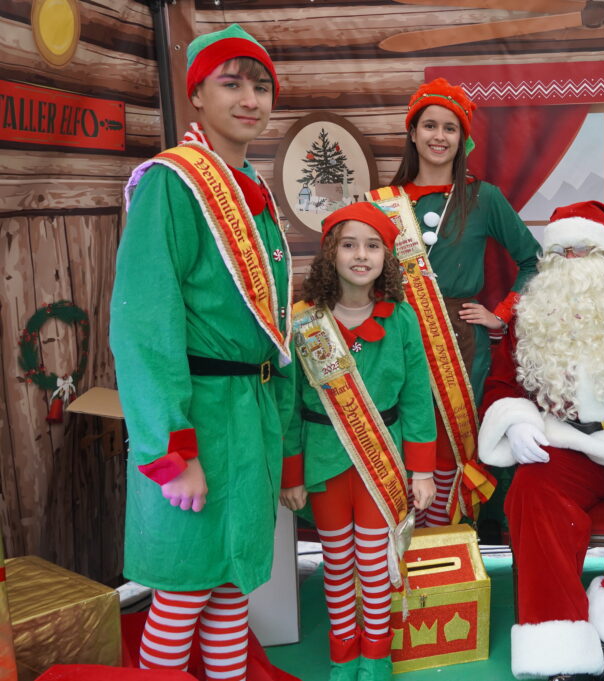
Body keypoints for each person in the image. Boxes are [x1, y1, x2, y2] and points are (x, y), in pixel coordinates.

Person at [109, 24, 292, 679]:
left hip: (249, 417)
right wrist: (172, 451)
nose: (249, 99)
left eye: (261, 87)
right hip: (200, 418)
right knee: (183, 593)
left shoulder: (251, 190)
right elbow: (142, 326)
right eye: (231, 83)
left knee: (230, 589)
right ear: (196, 95)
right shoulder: (173, 183)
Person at [478, 201, 604, 681]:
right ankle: (560, 643)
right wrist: (517, 421)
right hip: (567, 441)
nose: (573, 260)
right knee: (531, 494)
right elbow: (502, 385)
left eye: (585, 250)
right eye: (563, 251)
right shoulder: (531, 314)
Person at [279, 202, 437, 681]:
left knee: (373, 563)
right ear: (331, 253)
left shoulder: (402, 319)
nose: (361, 255)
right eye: (349, 245)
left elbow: (417, 398)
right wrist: (291, 473)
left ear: (387, 257)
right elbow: (289, 403)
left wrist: (423, 470)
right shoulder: (304, 322)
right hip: (323, 459)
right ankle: (343, 656)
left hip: (382, 459)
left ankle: (376, 656)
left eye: (373, 246)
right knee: (336, 562)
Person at [387, 78, 540, 527]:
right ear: (412, 132)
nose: (439, 136)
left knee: (451, 446)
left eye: (450, 128)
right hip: (398, 336)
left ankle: (448, 552)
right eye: (429, 125)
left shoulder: (482, 197)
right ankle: (399, 559)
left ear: (463, 139)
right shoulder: (386, 203)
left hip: (460, 341)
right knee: (400, 436)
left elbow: (533, 261)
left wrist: (501, 314)